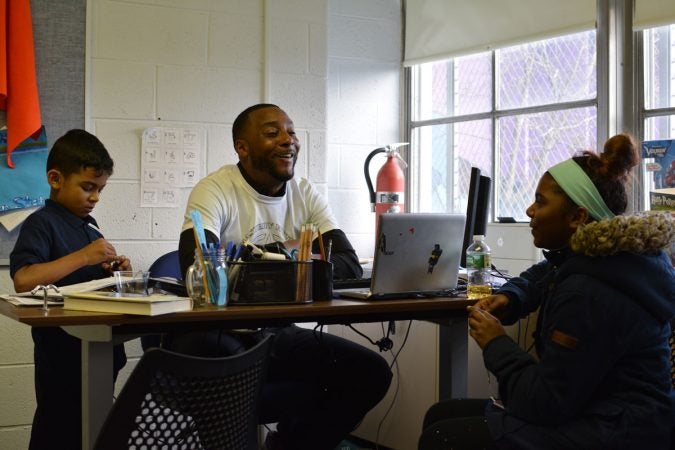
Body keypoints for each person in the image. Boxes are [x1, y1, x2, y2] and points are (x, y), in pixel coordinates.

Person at [420, 134, 675, 450]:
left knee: (443, 438)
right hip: (616, 415)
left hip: (616, 432)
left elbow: (544, 404)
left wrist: (495, 342)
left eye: (541, 201)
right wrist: (512, 296)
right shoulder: (614, 260)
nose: (529, 210)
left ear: (577, 217)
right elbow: (549, 271)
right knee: (440, 414)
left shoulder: (587, 294)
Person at [173, 103, 393, 450]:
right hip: (219, 334)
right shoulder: (215, 188)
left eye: (291, 132)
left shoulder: (304, 192)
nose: (288, 141)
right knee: (231, 371)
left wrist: (257, 260)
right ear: (242, 147)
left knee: (371, 373)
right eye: (273, 133)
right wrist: (294, 255)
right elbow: (198, 264)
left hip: (275, 333)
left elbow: (347, 264)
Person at [10, 129, 131, 450]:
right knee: (58, 431)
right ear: (55, 179)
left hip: (101, 350)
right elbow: (23, 279)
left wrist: (117, 273)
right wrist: (84, 256)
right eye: (87, 187)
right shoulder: (42, 223)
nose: (95, 198)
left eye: (100, 190)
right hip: (63, 355)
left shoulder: (89, 227)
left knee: (93, 432)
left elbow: (91, 283)